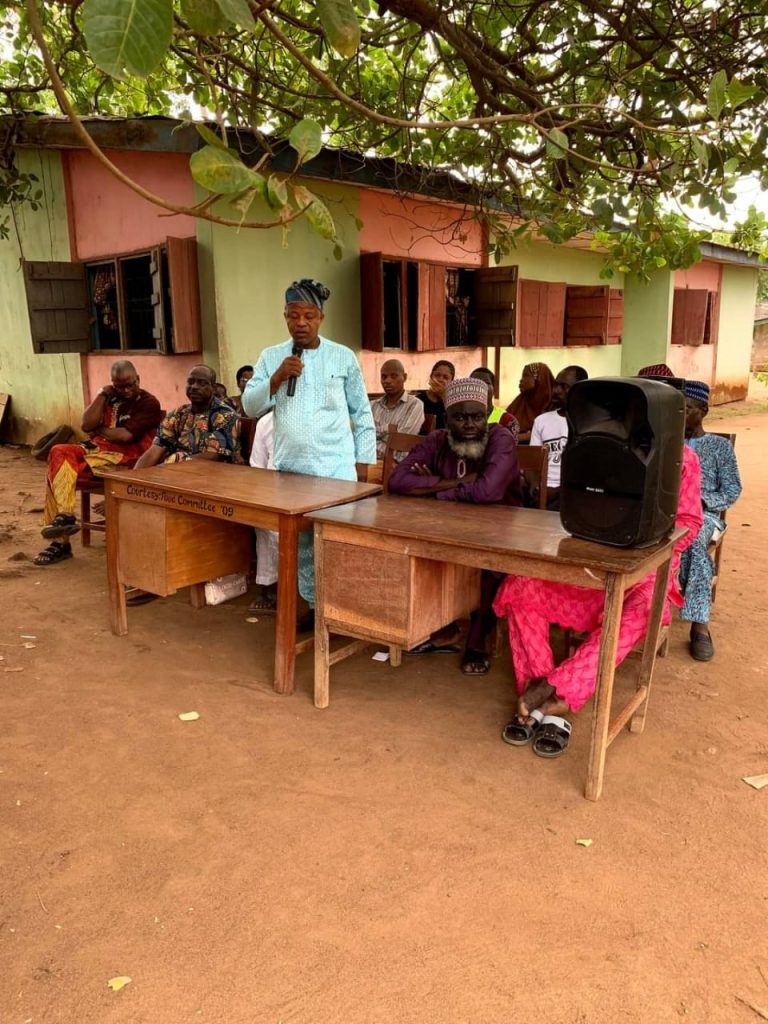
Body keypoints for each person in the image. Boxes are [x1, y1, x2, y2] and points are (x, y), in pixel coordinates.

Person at [492, 443, 703, 758]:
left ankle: (551, 691)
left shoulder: (680, 458)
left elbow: (689, 524)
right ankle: (540, 691)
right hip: (592, 560)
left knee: (642, 609)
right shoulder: (594, 446)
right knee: (522, 584)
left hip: (647, 568)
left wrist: (643, 545)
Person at [242, 278, 376, 613]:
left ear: (321, 318)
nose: (301, 323)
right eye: (293, 315)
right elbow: (249, 406)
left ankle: (345, 612)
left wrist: (362, 466)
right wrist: (276, 378)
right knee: (302, 546)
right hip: (291, 471)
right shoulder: (271, 356)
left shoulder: (342, 357)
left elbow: (362, 412)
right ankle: (316, 612)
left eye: (309, 316)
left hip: (337, 471)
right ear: (285, 316)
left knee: (340, 541)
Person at [389, 377, 522, 673]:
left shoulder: (500, 438)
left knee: (489, 565)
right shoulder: (437, 440)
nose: (470, 425)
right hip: (449, 524)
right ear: (447, 418)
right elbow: (398, 481)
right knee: (420, 552)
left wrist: (430, 488)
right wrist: (457, 483)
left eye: (477, 416)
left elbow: (488, 493)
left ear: (487, 414)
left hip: (504, 527)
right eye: (460, 417)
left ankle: (476, 642)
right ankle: (442, 627)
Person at [33, 360, 162, 566]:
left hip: (126, 459)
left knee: (57, 472)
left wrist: (99, 430)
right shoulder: (108, 398)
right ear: (112, 384)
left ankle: (60, 540)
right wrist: (102, 394)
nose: (127, 390)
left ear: (138, 379)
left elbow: (124, 436)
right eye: (120, 386)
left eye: (131, 384)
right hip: (95, 453)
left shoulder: (148, 402)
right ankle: (64, 522)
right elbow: (86, 424)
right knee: (57, 457)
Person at [679, 379, 742, 661]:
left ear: (702, 411)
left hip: (705, 514)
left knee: (693, 538)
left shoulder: (719, 447)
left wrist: (703, 501)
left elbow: (732, 490)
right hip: (670, 511)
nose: (681, 413)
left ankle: (699, 624)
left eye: (687, 407)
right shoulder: (669, 443)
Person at [134, 365, 241, 468]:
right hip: (175, 471)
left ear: (213, 388)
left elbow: (213, 456)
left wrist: (171, 467)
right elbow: (155, 450)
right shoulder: (178, 414)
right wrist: (134, 477)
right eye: (190, 382)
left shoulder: (225, 415)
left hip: (213, 474)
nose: (194, 387)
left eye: (202, 383)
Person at [529, 365, 588, 510]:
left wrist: (557, 491)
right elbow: (532, 464)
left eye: (564, 387)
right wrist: (537, 487)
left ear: (579, 389)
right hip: (543, 488)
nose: (556, 391)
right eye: (556, 385)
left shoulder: (589, 422)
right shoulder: (541, 421)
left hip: (571, 490)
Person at [369, 359, 425, 483]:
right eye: (384, 377)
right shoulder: (372, 405)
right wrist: (388, 428)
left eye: (394, 376)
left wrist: (374, 438)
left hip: (394, 464)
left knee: (357, 478)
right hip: (367, 459)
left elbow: (398, 441)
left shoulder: (415, 404)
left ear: (404, 377)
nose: (388, 380)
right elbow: (362, 435)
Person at [248, 410, 279, 613]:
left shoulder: (315, 419)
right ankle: (269, 585)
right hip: (272, 486)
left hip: (310, 487)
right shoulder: (266, 422)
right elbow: (257, 466)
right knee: (263, 520)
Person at [506, 362, 555, 443]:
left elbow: (548, 433)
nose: (521, 380)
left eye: (526, 376)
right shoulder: (519, 402)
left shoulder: (552, 405)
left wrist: (517, 437)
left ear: (538, 378)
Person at [470, 367, 519, 440]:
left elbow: (508, 448)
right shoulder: (458, 418)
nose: (481, 386)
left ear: (494, 389)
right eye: (476, 383)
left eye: (486, 383)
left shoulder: (507, 420)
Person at [415, 359, 455, 431]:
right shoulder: (418, 400)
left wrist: (444, 396)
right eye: (437, 375)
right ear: (431, 377)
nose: (440, 379)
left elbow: (454, 426)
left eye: (445, 377)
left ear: (451, 382)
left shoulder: (452, 403)